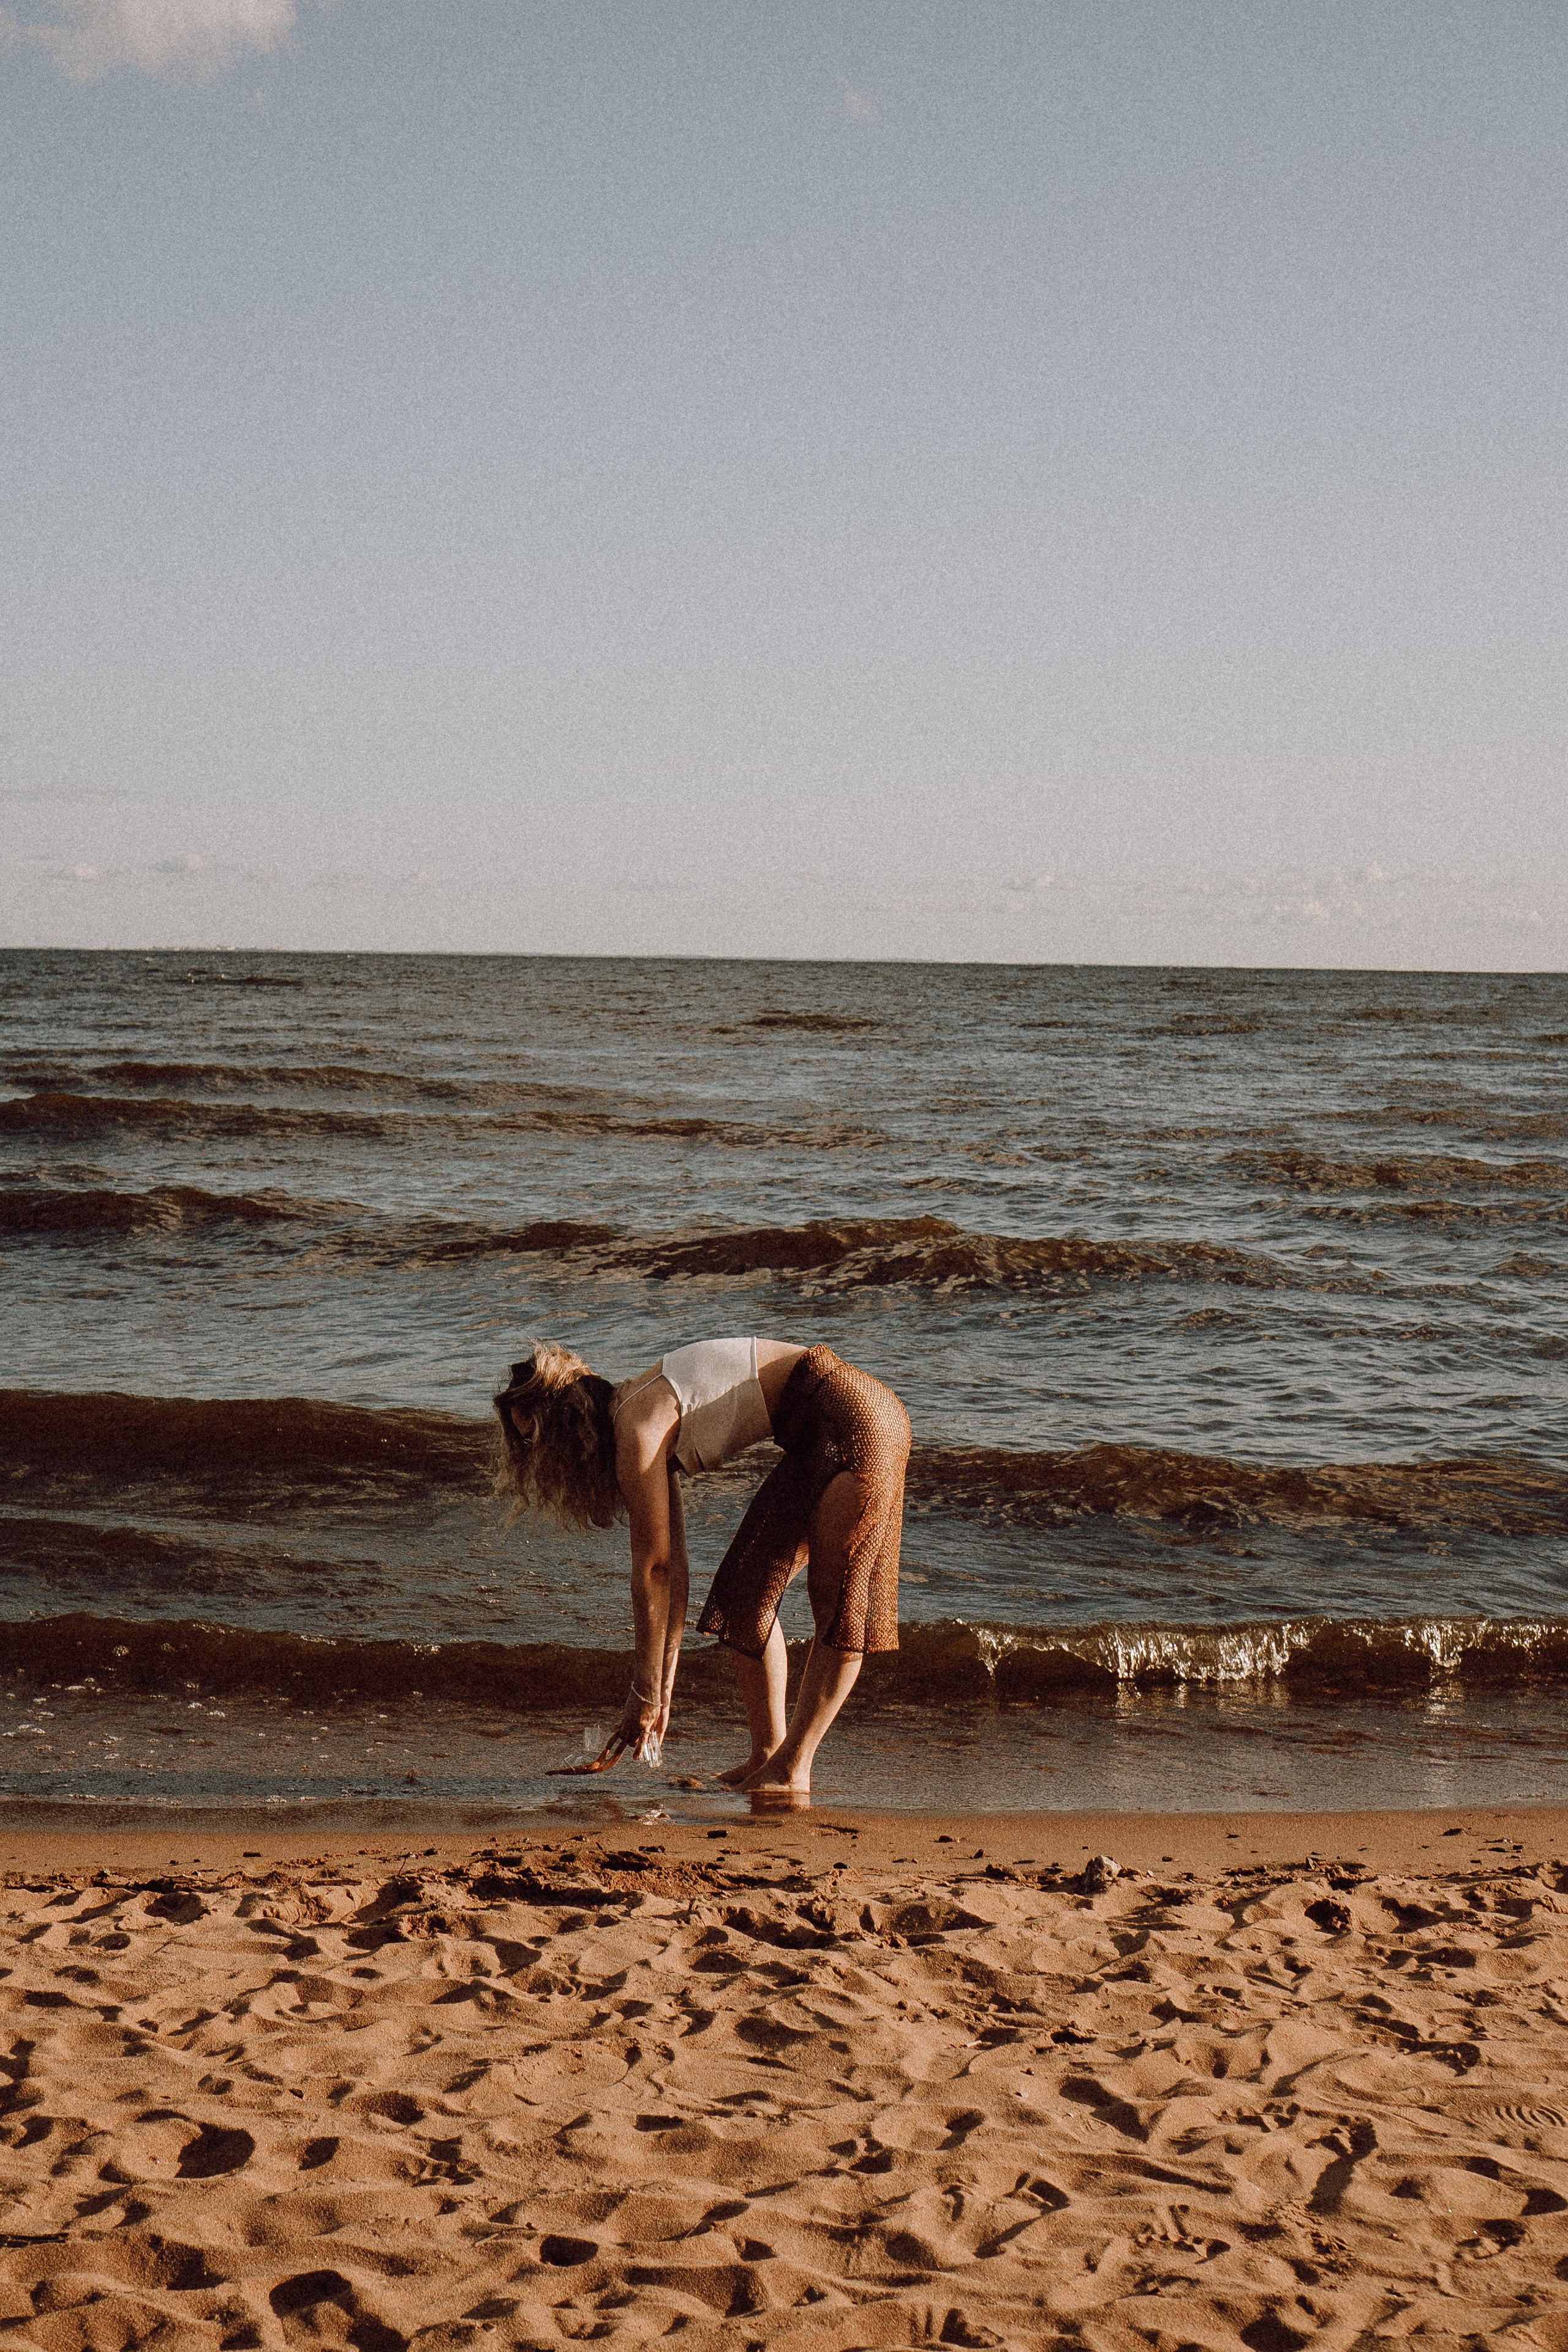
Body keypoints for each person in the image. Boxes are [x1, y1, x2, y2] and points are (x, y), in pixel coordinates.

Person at [492, 1337, 911, 1798]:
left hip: (858, 1419)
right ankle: (767, 1755)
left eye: (533, 1438)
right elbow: (675, 1573)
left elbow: (653, 1570)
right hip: (818, 1430)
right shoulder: (638, 1419)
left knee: (837, 1603)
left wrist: (643, 1692)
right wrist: (661, 1690)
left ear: (565, 1422)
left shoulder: (637, 1425)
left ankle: (795, 1767)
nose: (534, 1456)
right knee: (744, 1597)